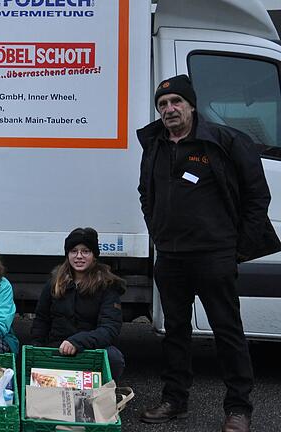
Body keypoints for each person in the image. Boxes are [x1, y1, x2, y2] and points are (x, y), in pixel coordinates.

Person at [137, 75, 280, 431]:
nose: (169, 110)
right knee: (176, 332)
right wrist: (157, 232)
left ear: (191, 105)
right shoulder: (155, 143)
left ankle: (238, 409)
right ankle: (175, 400)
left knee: (227, 332)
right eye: (163, 104)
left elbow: (257, 197)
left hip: (214, 255)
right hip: (170, 257)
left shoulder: (225, 141)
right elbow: (145, 192)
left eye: (176, 103)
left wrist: (236, 249)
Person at [30, 228, 126, 381]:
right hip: (56, 348)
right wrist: (36, 350)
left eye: (85, 251)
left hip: (90, 350)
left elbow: (110, 328)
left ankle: (104, 394)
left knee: (113, 357)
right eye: (74, 251)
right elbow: (41, 320)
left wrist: (77, 342)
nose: (79, 256)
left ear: (94, 255)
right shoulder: (54, 283)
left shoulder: (107, 286)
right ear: (67, 255)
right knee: (26, 356)